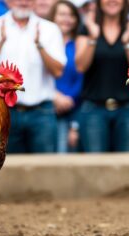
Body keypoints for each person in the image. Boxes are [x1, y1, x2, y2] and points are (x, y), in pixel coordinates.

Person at [0, 0, 66, 153]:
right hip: (2, 112)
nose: (23, 2)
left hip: (41, 113)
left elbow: (57, 72)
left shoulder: (50, 29)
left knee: (45, 171)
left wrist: (40, 45)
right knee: (3, 170)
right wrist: (1, 41)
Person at [75, 0, 129, 152]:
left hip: (128, 110)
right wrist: (93, 38)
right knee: (95, 167)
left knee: (127, 166)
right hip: (93, 110)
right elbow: (81, 66)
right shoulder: (87, 29)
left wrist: (127, 43)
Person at [50, 0, 83, 153]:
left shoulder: (79, 45)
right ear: (53, 17)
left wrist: (68, 99)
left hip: (73, 110)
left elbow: (83, 77)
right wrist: (54, 96)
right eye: (62, 14)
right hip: (46, 108)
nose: (67, 19)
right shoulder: (44, 43)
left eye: (71, 15)